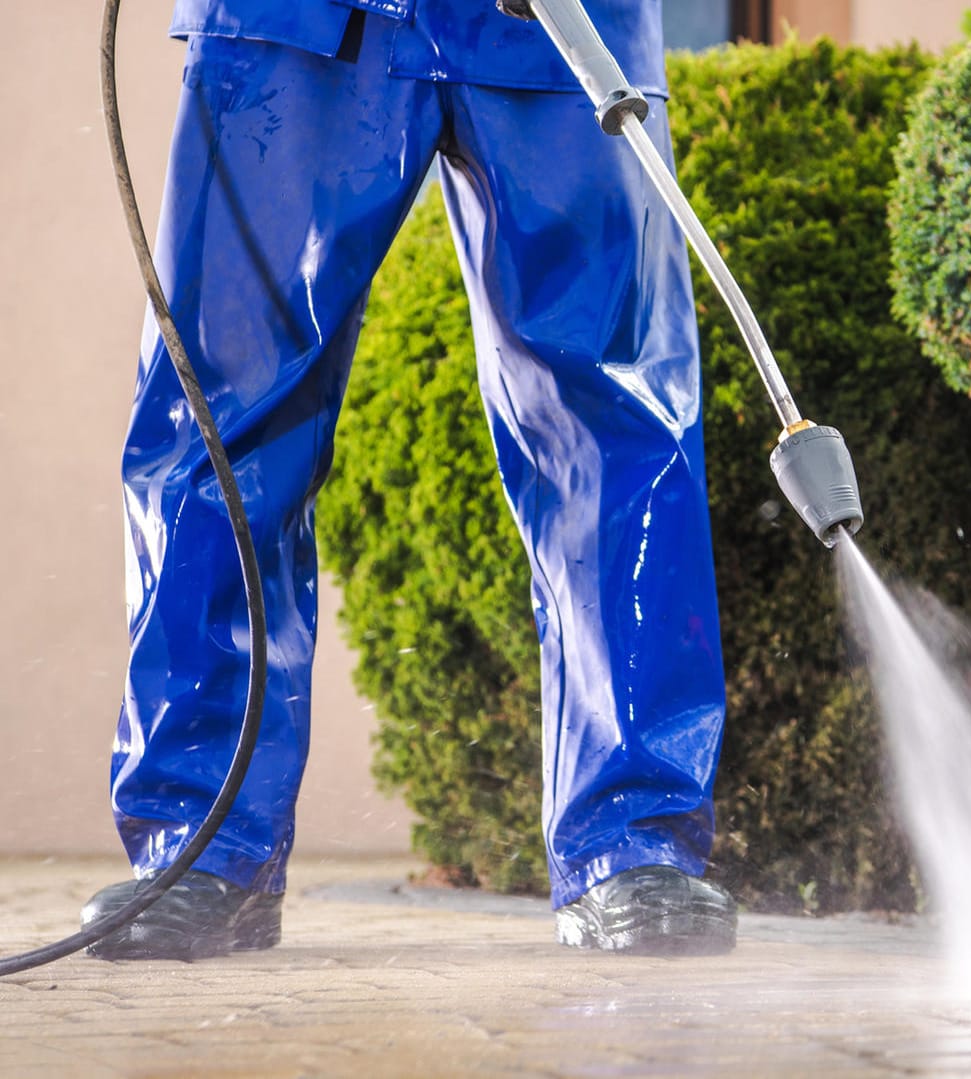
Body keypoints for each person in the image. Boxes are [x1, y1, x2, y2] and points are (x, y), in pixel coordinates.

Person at [80, 0, 736, 959]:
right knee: (220, 414)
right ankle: (200, 840)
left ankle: (634, 847)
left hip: (563, 21)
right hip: (293, 19)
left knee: (617, 413)